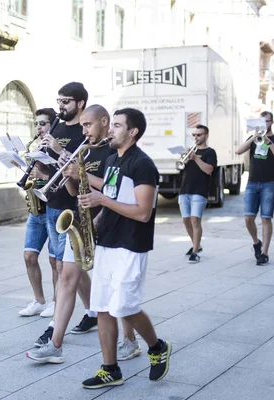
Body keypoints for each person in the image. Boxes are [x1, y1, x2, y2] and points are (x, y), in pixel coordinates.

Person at [27, 105, 144, 363]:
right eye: (82, 126)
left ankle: (131, 340)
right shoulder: (84, 149)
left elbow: (115, 186)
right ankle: (55, 344)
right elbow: (72, 192)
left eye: (88, 125)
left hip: (109, 223)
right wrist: (69, 172)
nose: (84, 131)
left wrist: (84, 175)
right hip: (80, 222)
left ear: (104, 122)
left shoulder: (115, 152)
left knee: (116, 289)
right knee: (67, 278)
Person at [78, 108, 171, 388]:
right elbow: (112, 195)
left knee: (124, 307)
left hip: (131, 244)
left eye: (117, 125)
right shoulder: (111, 160)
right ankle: (110, 369)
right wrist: (94, 220)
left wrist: (102, 201)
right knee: (103, 307)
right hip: (107, 240)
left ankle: (157, 347)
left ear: (133, 132)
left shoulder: (143, 165)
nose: (110, 130)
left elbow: (143, 212)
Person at [31, 82, 88, 347]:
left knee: (67, 268)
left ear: (80, 103)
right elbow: (50, 162)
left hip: (72, 205)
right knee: (69, 267)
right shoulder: (57, 127)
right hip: (53, 203)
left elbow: (79, 166)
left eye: (66, 101)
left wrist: (56, 149)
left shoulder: (84, 130)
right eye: (59, 100)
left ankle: (55, 327)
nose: (61, 105)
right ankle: (92, 312)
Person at [19, 108, 58, 318]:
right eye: (37, 124)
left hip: (53, 209)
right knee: (29, 256)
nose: (39, 128)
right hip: (36, 211)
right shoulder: (37, 148)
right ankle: (38, 300)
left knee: (54, 261)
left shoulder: (58, 149)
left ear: (52, 125)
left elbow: (60, 179)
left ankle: (56, 302)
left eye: (43, 123)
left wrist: (42, 172)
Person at [235, 111, 274, 266]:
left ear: (272, 122)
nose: (264, 125)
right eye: (261, 122)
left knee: (266, 218)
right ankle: (256, 242)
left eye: (266, 122)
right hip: (252, 182)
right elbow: (238, 151)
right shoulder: (254, 139)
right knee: (248, 218)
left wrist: (268, 142)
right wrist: (253, 138)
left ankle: (264, 253)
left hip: (270, 183)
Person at [178, 124, 217, 263]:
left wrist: (195, 158)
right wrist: (186, 157)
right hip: (184, 190)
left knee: (195, 220)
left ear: (206, 136)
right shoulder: (190, 152)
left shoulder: (210, 152)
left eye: (199, 135)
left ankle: (195, 252)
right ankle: (197, 245)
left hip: (199, 191)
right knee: (186, 220)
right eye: (194, 135)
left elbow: (208, 170)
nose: (196, 137)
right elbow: (182, 168)